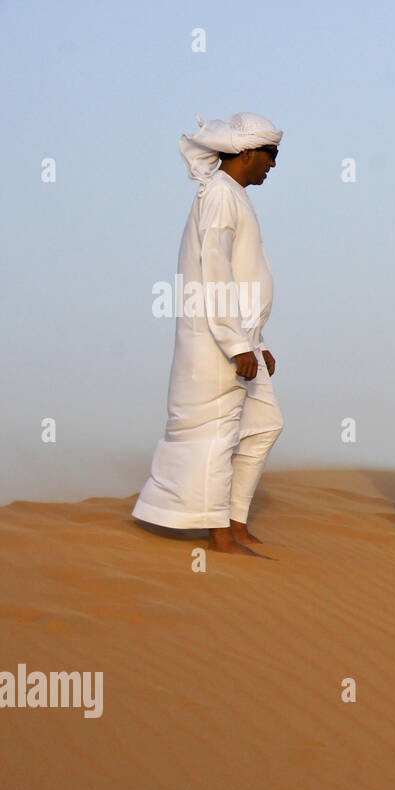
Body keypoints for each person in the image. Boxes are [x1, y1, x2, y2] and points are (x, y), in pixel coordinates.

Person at [132, 113, 284, 557]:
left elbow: (244, 275)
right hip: (216, 342)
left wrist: (258, 341)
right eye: (271, 155)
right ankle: (217, 535)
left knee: (263, 425)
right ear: (249, 153)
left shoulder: (232, 195)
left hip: (240, 338)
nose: (273, 166)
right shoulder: (219, 194)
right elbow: (214, 273)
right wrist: (237, 345)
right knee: (216, 434)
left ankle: (234, 521)